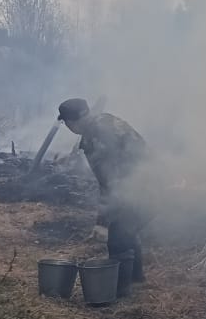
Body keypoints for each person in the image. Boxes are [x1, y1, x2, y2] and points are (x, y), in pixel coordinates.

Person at [57, 98, 148, 295]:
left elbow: (112, 183)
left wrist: (103, 223)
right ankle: (136, 279)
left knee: (118, 237)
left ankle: (121, 293)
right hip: (148, 180)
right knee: (128, 228)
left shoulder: (96, 139)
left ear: (71, 123)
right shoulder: (105, 121)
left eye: (66, 123)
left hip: (136, 186)